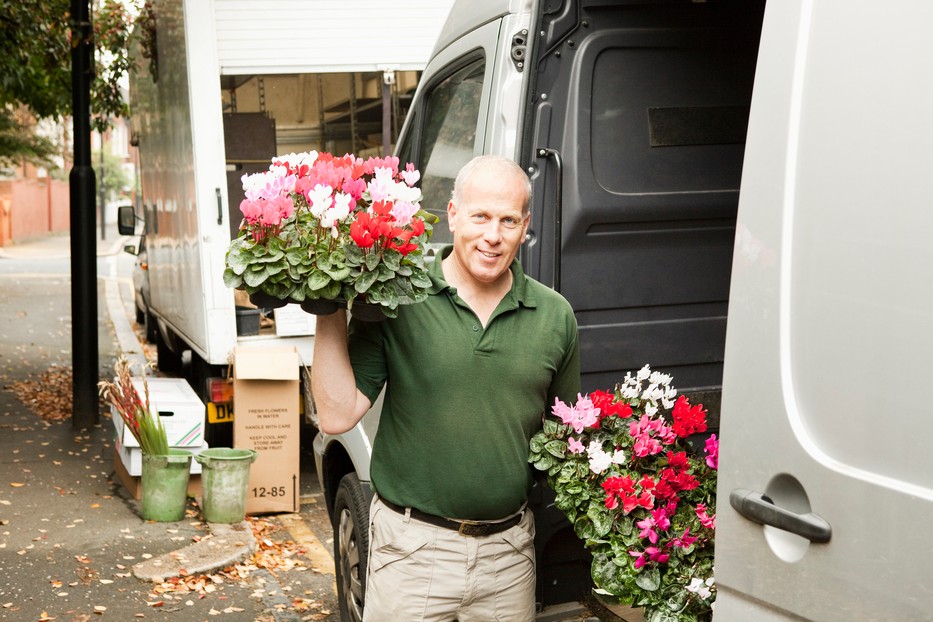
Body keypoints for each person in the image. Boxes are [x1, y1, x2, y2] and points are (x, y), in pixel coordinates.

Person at [311, 154, 581, 622]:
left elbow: (564, 440)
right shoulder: (398, 298)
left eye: (508, 220)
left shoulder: (556, 317)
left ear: (526, 225)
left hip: (508, 558)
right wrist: (328, 306)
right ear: (453, 214)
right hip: (411, 553)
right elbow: (336, 416)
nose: (493, 236)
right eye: (480, 217)